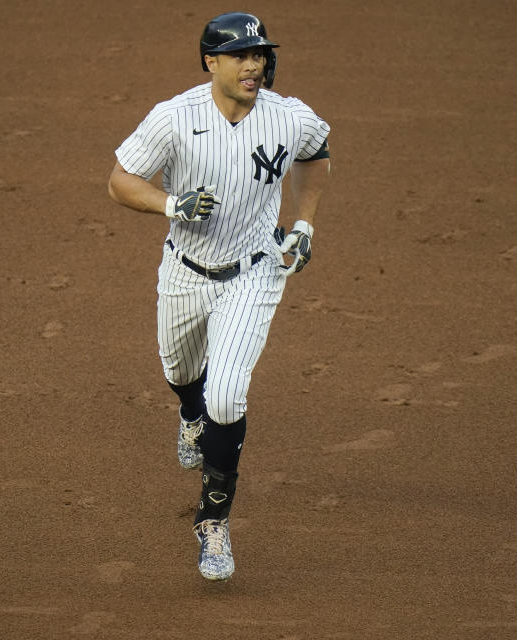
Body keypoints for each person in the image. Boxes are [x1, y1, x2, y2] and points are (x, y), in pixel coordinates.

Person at [107, 11, 331, 581]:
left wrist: (302, 225)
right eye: (240, 55)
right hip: (184, 269)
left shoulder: (288, 118)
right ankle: (189, 414)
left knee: (227, 397)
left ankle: (214, 520)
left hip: (255, 271)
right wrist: (169, 205)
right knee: (179, 369)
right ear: (211, 61)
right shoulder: (174, 118)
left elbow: (316, 153)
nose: (254, 64)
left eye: (259, 54)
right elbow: (120, 180)